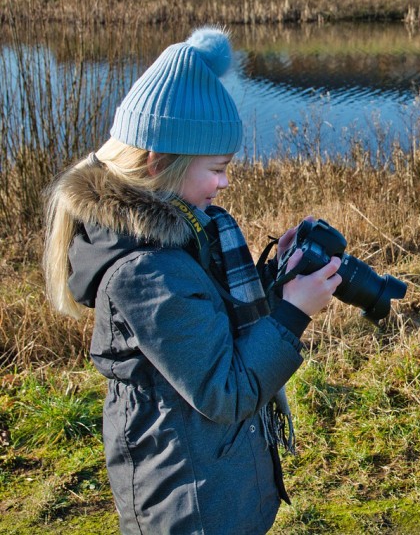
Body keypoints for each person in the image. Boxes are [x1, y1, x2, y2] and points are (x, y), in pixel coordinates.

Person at [42, 26, 342, 534]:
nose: (225, 183)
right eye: (218, 169)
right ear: (160, 163)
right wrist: (293, 311)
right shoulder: (144, 272)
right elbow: (226, 390)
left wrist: (276, 279)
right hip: (188, 502)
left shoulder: (183, 235)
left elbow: (210, 321)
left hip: (216, 479)